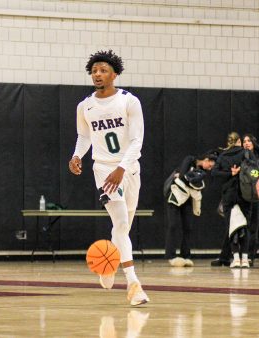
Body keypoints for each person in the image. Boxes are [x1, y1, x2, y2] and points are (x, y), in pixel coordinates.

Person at [68, 50, 149, 306]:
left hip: (129, 169)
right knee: (121, 220)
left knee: (123, 228)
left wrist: (123, 168)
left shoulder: (129, 102)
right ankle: (134, 284)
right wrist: (77, 155)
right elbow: (84, 136)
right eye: (94, 71)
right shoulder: (85, 106)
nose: (98, 75)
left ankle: (108, 266)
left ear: (114, 74)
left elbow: (137, 141)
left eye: (103, 70)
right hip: (103, 170)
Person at [164, 153, 216, 267]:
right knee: (173, 225)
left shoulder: (202, 172)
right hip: (175, 196)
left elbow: (197, 185)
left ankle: (185, 255)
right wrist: (188, 179)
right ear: (206, 160)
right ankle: (171, 255)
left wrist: (187, 178)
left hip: (187, 199)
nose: (210, 168)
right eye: (210, 165)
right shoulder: (190, 159)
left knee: (188, 227)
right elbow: (183, 176)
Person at [211, 132, 252, 268]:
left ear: (228, 142)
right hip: (244, 194)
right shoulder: (245, 153)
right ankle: (245, 258)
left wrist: (230, 173)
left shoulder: (223, 156)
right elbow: (254, 170)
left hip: (229, 195)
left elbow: (214, 173)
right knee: (244, 227)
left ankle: (235, 259)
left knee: (232, 227)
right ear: (239, 141)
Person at [242, 134, 259, 265]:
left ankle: (250, 256)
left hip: (256, 197)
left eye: (249, 141)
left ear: (253, 143)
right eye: (244, 141)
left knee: (253, 227)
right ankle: (242, 255)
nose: (246, 143)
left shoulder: (257, 158)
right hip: (244, 196)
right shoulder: (240, 157)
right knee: (243, 227)